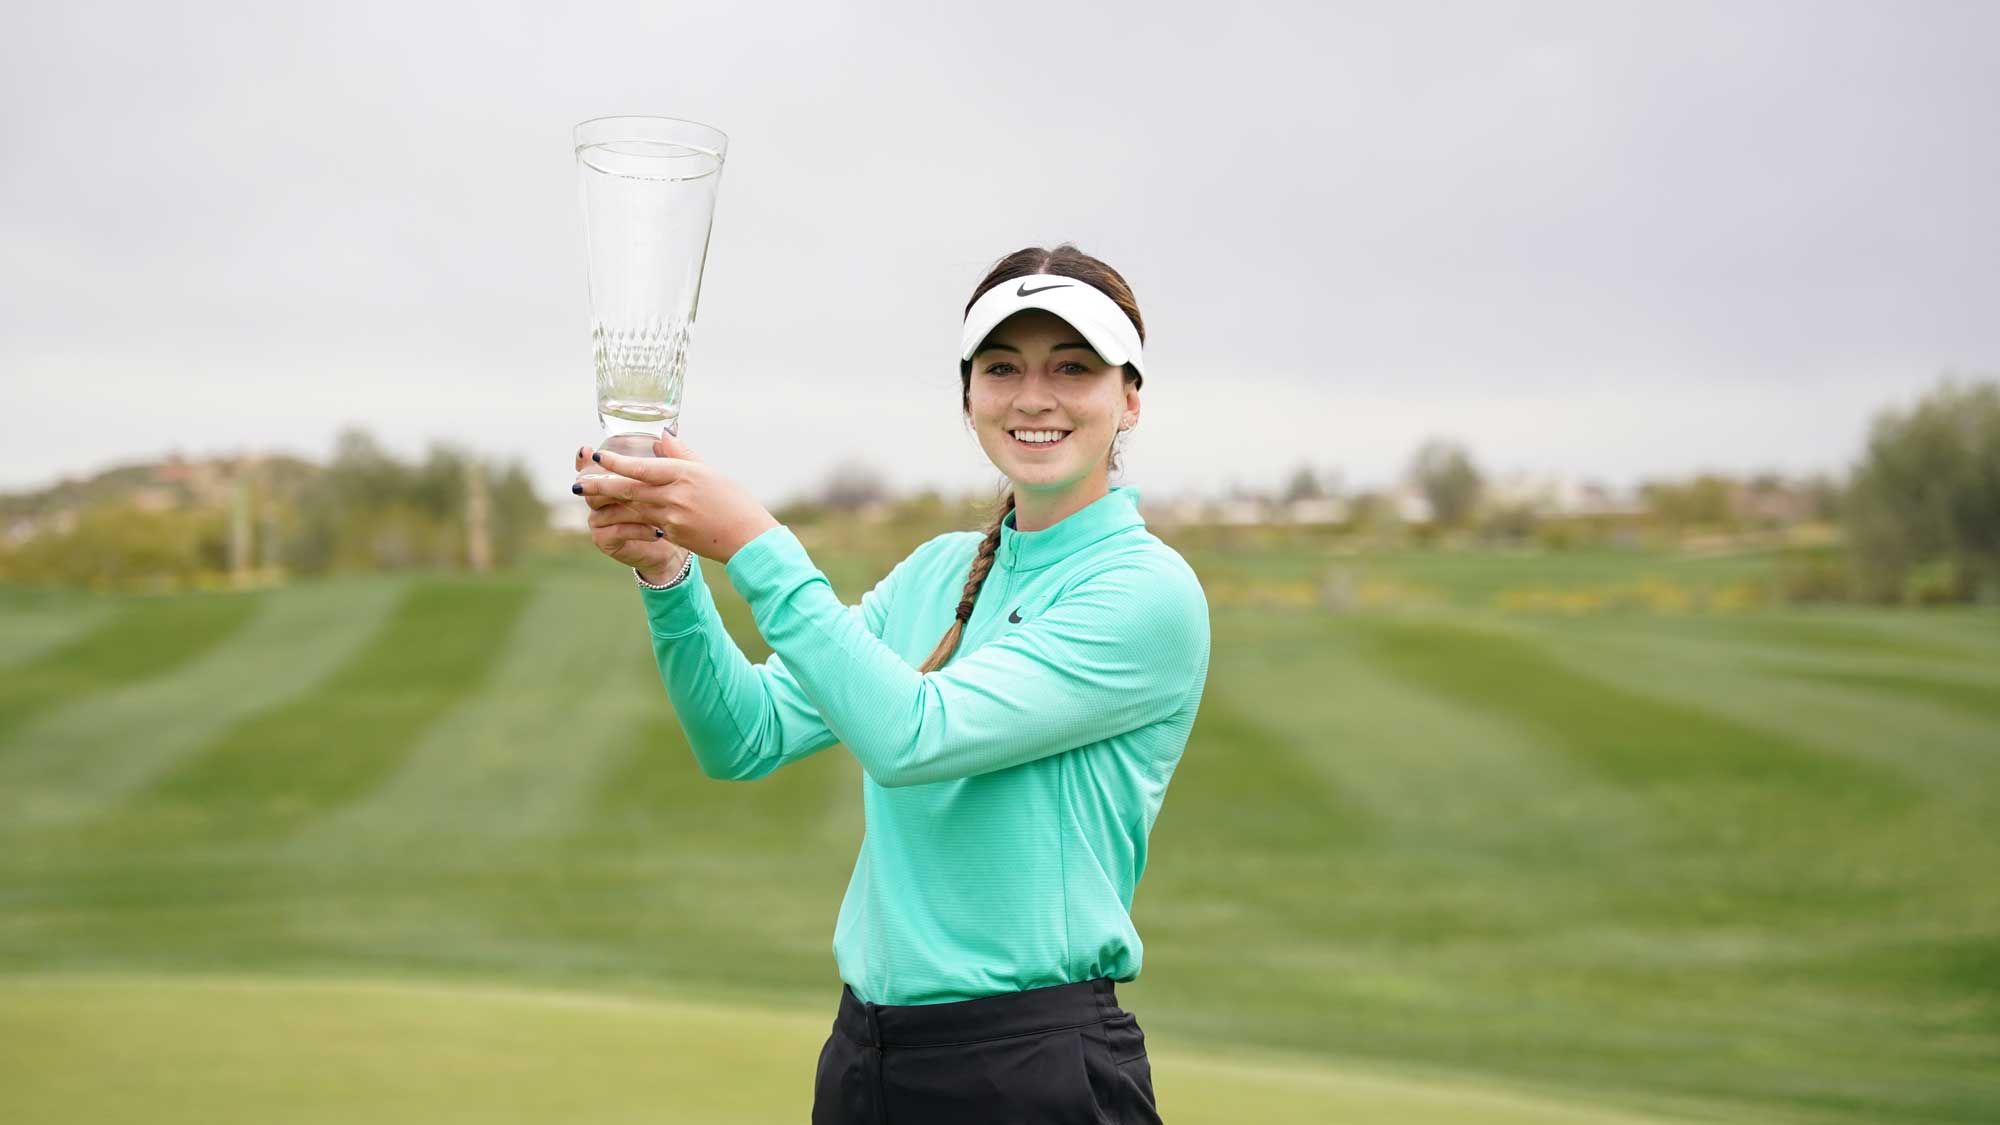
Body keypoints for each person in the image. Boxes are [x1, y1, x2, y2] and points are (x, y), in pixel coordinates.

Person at [572, 243, 1209, 1124]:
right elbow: (742, 736)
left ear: (1128, 397)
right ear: (970, 394)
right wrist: (671, 575)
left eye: (1073, 367)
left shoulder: (1145, 591)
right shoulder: (938, 571)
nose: (1034, 396)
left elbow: (916, 735)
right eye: (1002, 367)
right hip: (867, 1058)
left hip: (1031, 1064)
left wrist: (756, 542)